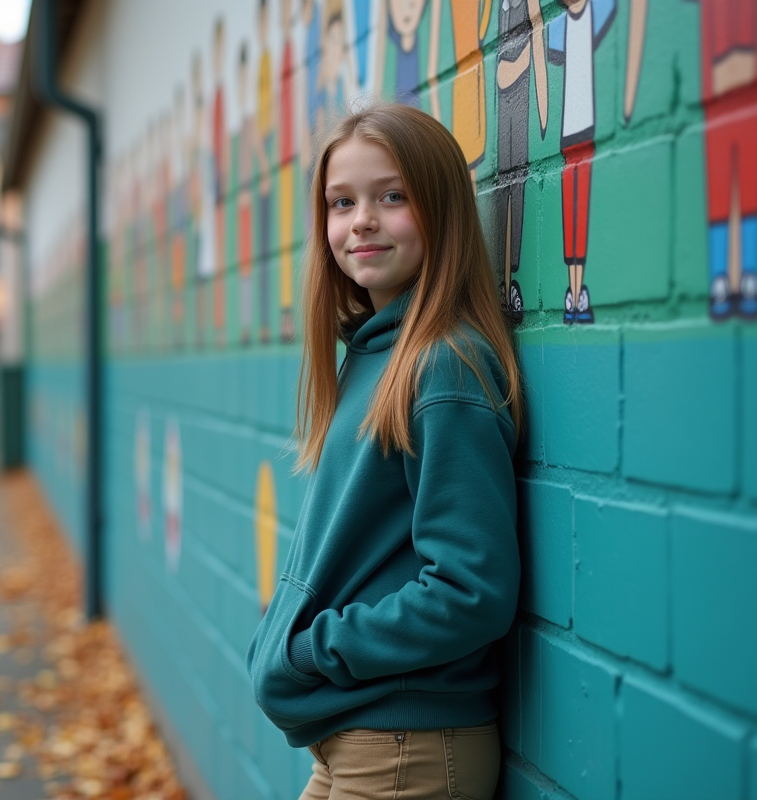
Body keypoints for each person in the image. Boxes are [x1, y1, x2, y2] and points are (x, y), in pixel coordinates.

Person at [247, 104, 522, 800]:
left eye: (391, 196)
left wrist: (315, 647)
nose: (361, 220)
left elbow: (471, 590)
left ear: (443, 212)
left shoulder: (444, 368)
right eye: (342, 203)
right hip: (355, 736)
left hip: (408, 748)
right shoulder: (372, 356)